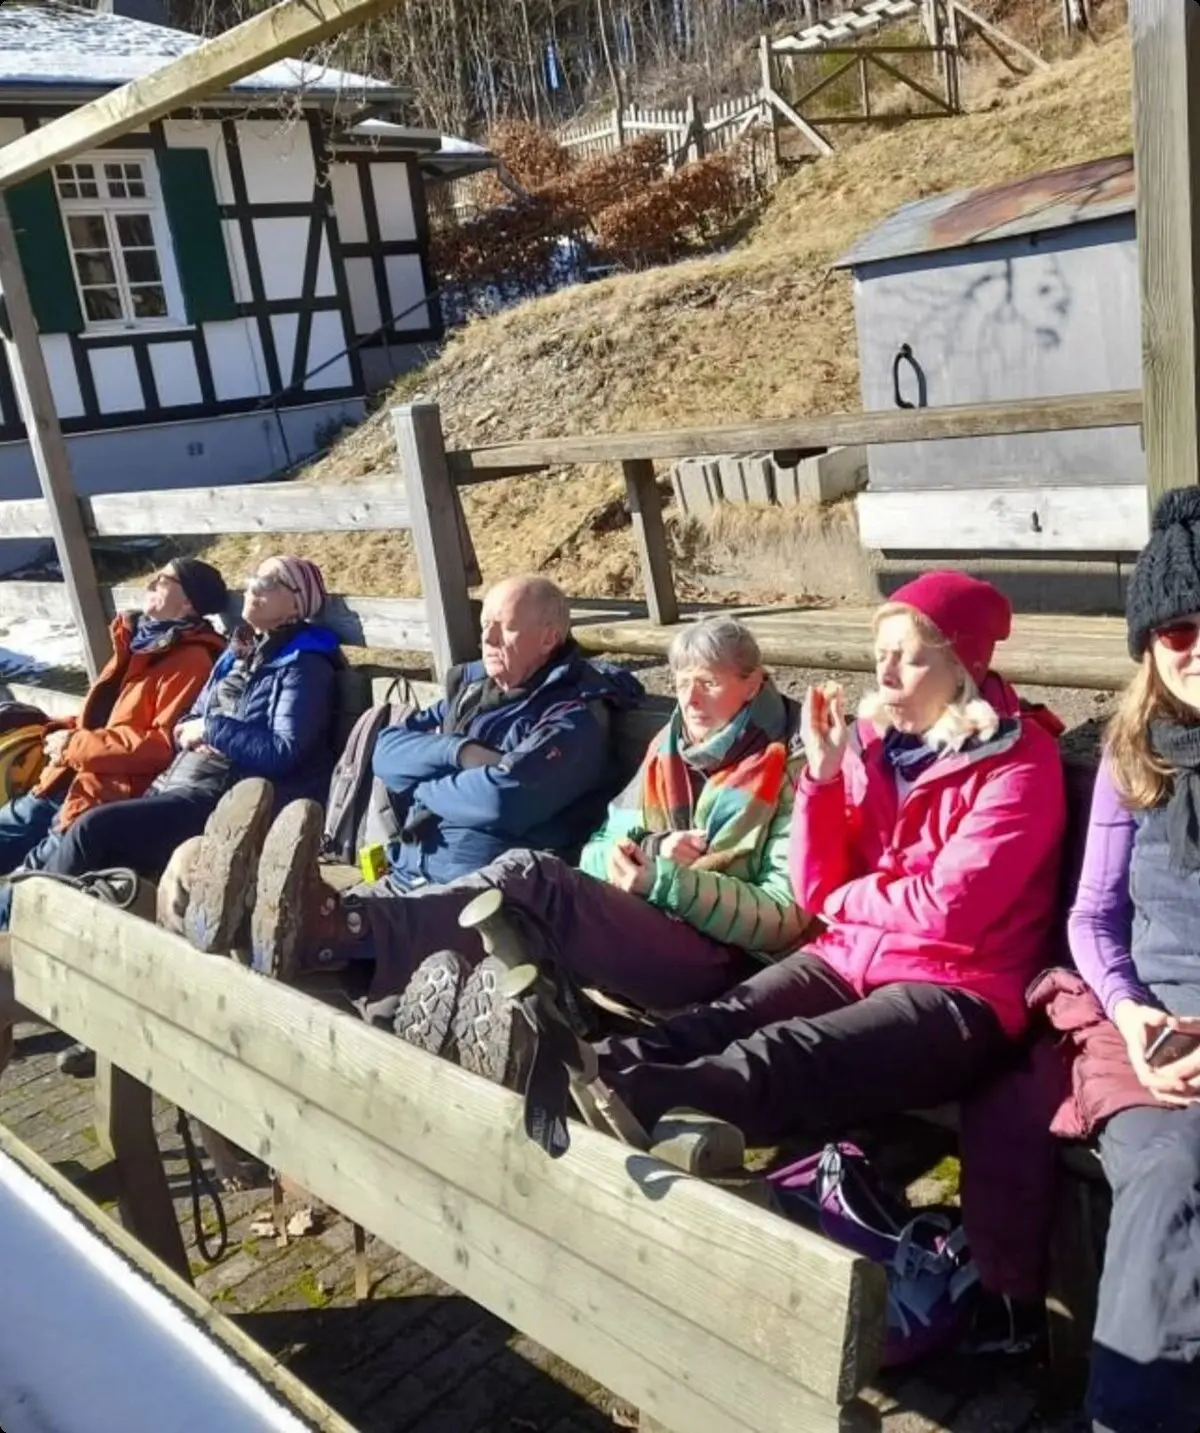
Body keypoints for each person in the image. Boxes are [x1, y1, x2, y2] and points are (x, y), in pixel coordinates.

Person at [178, 616, 806, 1053]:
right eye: (681, 682)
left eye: (711, 683)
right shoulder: (668, 750)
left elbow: (782, 918)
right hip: (638, 922)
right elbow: (598, 847)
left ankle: (336, 928)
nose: (690, 699)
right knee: (507, 922)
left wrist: (667, 878)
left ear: (754, 683)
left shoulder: (788, 767)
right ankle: (334, 957)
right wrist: (642, 854)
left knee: (532, 879)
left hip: (716, 965)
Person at [590, 572, 1066, 1147]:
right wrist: (822, 774)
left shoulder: (1019, 762)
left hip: (958, 990)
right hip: (848, 956)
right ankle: (580, 1069)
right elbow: (812, 883)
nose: (885, 675)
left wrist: (846, 899)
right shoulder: (871, 742)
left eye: (909, 661)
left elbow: (948, 911)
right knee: (721, 1019)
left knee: (785, 1057)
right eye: (881, 656)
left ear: (963, 670)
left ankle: (616, 1106)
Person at [168, 573, 644, 953]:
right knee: (188, 864)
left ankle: (273, 924)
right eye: (485, 625)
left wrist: (423, 786)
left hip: (481, 899)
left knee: (334, 933)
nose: (489, 637)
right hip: (408, 875)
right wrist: (458, 752)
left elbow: (503, 800)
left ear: (549, 637)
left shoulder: (574, 716)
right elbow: (387, 749)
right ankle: (255, 919)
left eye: (508, 627)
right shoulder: (474, 691)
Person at [1062, 486, 1200, 1433]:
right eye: (1177, 630)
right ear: (1150, 647)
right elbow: (1093, 918)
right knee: (1170, 1172)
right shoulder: (1131, 755)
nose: (1197, 648)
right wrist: (1130, 1009)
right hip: (1151, 1034)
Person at [20, 554, 341, 895]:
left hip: (223, 800)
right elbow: (190, 718)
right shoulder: (240, 651)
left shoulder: (304, 666)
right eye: (252, 578)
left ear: (296, 604)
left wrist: (211, 729)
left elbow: (283, 751)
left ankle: (38, 915)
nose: (251, 588)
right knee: (88, 834)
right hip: (179, 780)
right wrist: (194, 727)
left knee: (92, 831)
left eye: (268, 582)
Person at [0, 557, 228, 920]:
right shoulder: (140, 642)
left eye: (164, 578)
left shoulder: (192, 660)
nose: (152, 582)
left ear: (188, 602)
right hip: (62, 779)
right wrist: (60, 730)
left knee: (23, 893)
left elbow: (159, 746)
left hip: (99, 794)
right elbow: (106, 718)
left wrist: (74, 745)